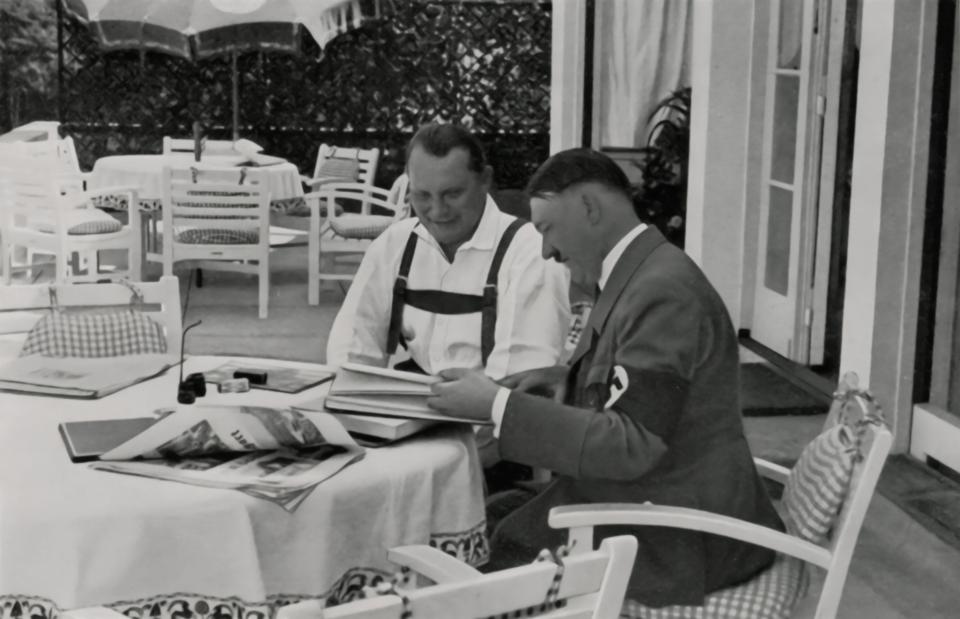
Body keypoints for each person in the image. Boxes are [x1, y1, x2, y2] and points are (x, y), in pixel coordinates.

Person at [427, 148, 784, 607]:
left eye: (546, 229)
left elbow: (633, 443)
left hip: (684, 537)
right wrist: (565, 377)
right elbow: (647, 395)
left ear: (590, 209)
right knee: (491, 517)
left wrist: (496, 404)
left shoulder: (662, 292)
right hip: (666, 503)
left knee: (485, 558)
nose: (547, 251)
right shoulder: (647, 271)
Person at [326, 123, 571, 472]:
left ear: (485, 180)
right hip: (407, 434)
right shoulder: (394, 244)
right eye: (422, 196)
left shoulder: (528, 252)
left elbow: (517, 388)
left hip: (494, 450)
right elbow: (351, 352)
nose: (437, 211)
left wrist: (440, 466)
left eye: (452, 194)